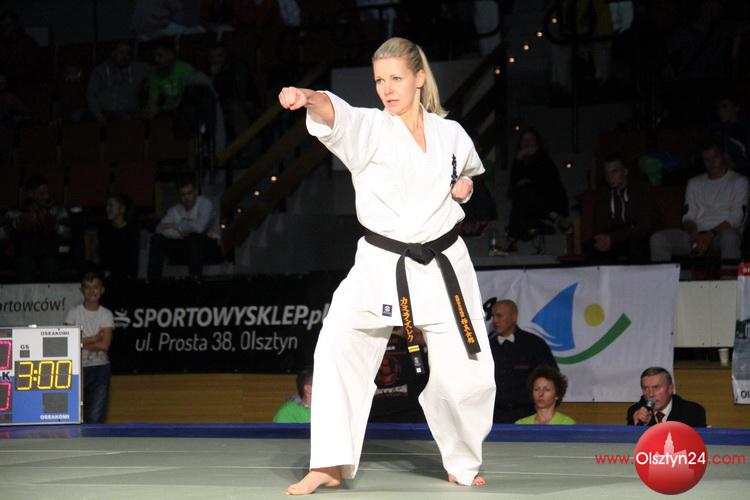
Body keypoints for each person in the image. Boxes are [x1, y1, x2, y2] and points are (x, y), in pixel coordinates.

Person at [278, 36, 495, 494]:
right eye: (379, 80)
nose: (387, 89)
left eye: (396, 78)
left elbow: (467, 175)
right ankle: (329, 463)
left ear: (419, 78)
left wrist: (465, 189)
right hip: (382, 262)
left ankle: (461, 461)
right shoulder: (371, 129)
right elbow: (335, 113)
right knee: (337, 346)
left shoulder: (451, 133)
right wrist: (307, 97)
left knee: (468, 372)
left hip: (444, 264)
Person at [650, 140, 749, 262]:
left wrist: (709, 236)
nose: (711, 163)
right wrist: (695, 235)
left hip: (721, 234)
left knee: (730, 236)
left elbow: (737, 217)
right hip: (696, 234)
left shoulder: (739, 181)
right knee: (658, 239)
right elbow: (687, 217)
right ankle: (666, 275)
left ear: (723, 156)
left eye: (715, 157)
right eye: (707, 159)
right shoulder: (694, 182)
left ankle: (729, 274)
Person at [489, 299, 559, 423]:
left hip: (528, 416)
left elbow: (553, 379)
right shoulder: (486, 347)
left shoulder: (534, 344)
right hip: (493, 417)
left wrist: (546, 413)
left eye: (499, 316)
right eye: (493, 316)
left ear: (514, 317)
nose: (495, 320)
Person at [505, 128, 569, 252]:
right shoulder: (519, 161)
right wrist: (518, 159)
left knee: (524, 191)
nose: (527, 143)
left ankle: (512, 237)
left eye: (530, 139)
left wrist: (527, 182)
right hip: (529, 206)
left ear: (537, 143)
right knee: (521, 194)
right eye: (524, 140)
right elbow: (513, 186)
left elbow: (548, 185)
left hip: (549, 202)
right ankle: (546, 224)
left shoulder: (544, 159)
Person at [64, 271, 115, 423]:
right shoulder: (73, 313)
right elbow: (68, 342)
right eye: (87, 287)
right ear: (81, 290)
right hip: (76, 369)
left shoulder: (106, 314)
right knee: (74, 415)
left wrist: (80, 342)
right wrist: (94, 338)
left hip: (100, 369)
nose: (92, 291)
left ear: (102, 290)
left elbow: (104, 345)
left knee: (95, 417)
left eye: (96, 287)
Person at [147, 176, 221, 279]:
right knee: (156, 239)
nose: (186, 198)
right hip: (185, 245)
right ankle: (153, 281)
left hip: (209, 246)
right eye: (183, 194)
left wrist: (177, 226)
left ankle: (195, 280)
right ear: (179, 196)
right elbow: (159, 228)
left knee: (195, 237)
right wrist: (180, 234)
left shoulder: (205, 203)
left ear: (195, 192)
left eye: (189, 193)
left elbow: (199, 228)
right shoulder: (175, 210)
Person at [1, 175, 71, 282]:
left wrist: (54, 226)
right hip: (24, 255)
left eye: (47, 192)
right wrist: (17, 224)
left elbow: (69, 233)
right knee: (24, 263)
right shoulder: (17, 211)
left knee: (50, 263)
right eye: (41, 193)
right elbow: (1, 234)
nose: (46, 196)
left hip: (51, 254)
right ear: (31, 193)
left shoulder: (57, 209)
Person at [586, 154, 653, 263]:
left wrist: (612, 238)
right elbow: (599, 224)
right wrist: (603, 238)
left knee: (637, 245)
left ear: (625, 172)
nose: (610, 177)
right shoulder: (604, 193)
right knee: (593, 246)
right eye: (606, 173)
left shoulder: (640, 190)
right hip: (616, 238)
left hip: (637, 237)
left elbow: (643, 226)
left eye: (614, 172)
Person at [81, 41, 151, 123]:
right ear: (113, 53)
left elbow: (155, 71)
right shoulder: (100, 71)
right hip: (104, 113)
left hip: (129, 114)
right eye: (121, 52)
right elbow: (91, 95)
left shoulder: (137, 68)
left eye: (128, 53)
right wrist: (99, 115)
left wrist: (149, 82)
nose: (125, 56)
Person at [369, 326, 428, 423]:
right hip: (410, 417)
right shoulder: (414, 350)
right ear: (402, 326)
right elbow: (423, 379)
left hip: (373, 416)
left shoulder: (370, 349)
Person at [626, 366, 706, 427]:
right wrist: (641, 425)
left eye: (656, 387)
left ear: (670, 389)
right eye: (645, 388)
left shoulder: (693, 411)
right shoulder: (635, 412)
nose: (651, 394)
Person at [145, 42, 197, 119]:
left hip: (188, 112)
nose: (156, 59)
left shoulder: (186, 70)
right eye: (155, 56)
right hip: (169, 113)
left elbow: (185, 100)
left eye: (160, 56)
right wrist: (150, 109)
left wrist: (160, 109)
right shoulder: (155, 74)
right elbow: (152, 99)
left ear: (171, 56)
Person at [97, 194, 140, 281]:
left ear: (122, 209)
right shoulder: (104, 230)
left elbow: (132, 259)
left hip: (126, 277)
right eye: (107, 206)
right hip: (107, 276)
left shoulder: (132, 231)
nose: (107, 209)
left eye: (111, 205)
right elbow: (103, 256)